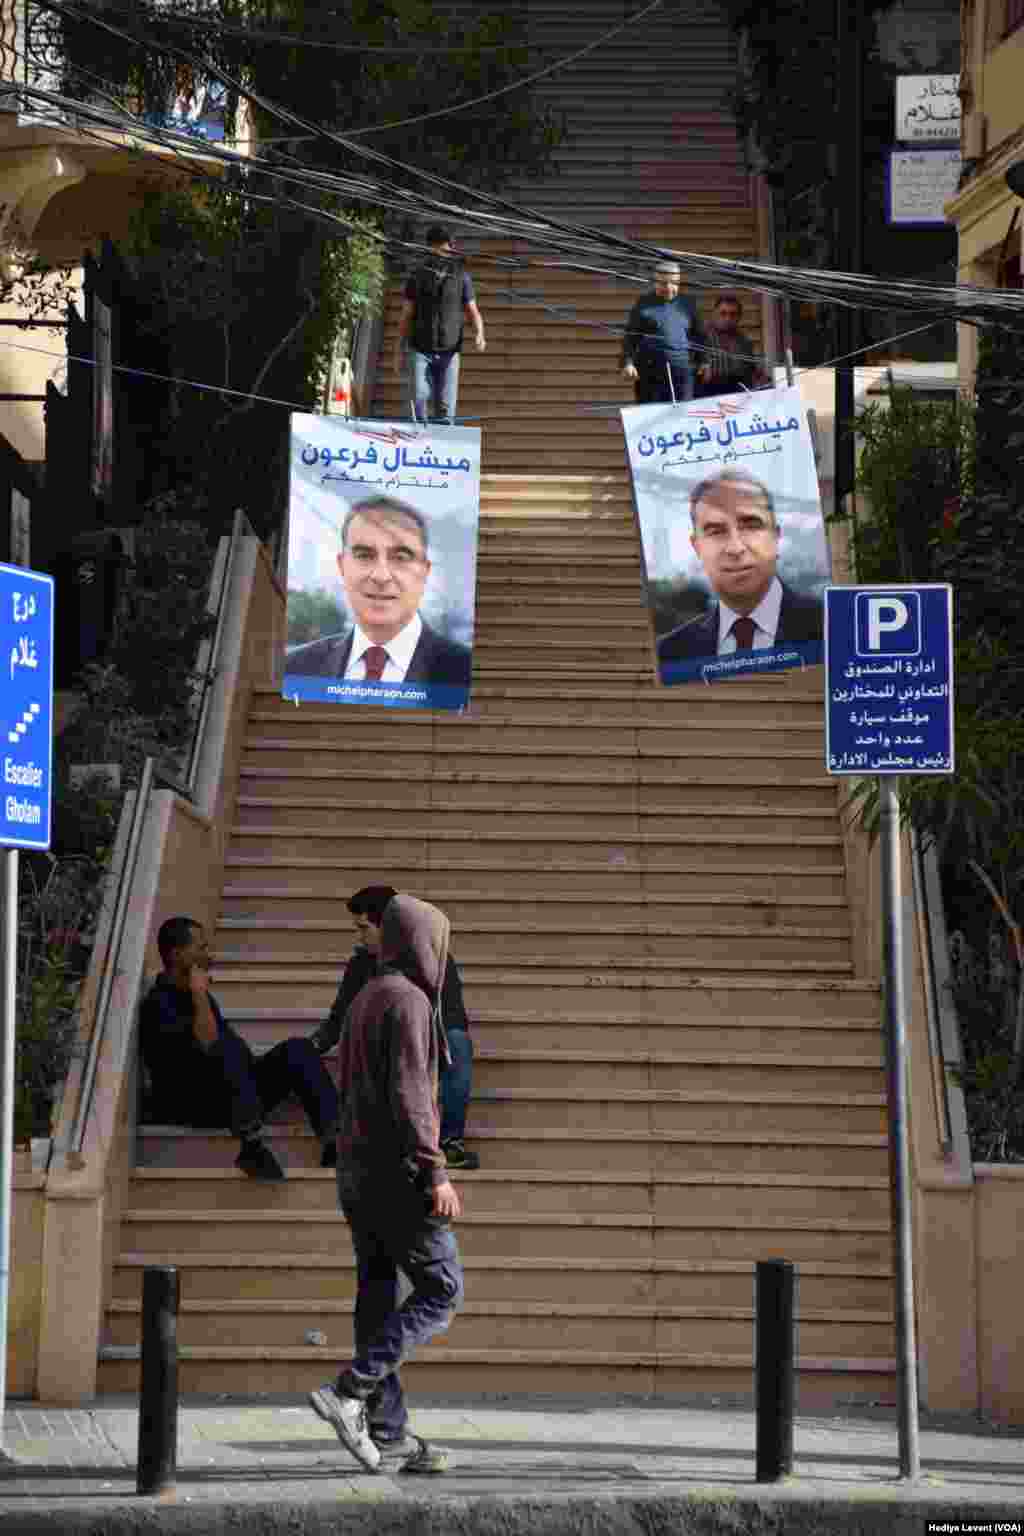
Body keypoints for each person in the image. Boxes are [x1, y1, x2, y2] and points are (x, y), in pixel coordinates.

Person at [309, 894, 464, 1476]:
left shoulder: (368, 996)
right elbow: (410, 1097)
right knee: (441, 1289)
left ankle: (388, 1433)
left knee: (377, 1295)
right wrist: (436, 1170)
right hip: (396, 1175)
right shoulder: (409, 1001)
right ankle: (350, 1391)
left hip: (357, 1172)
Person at [139, 916, 339, 1180]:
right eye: (200, 948)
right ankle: (252, 1146)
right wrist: (199, 993)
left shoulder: (197, 994)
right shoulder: (158, 1003)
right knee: (225, 1048)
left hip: (235, 1093)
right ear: (177, 954)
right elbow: (209, 1042)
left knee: (298, 1049)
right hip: (195, 1102)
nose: (207, 955)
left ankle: (336, 1142)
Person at [311, 885, 480, 1171]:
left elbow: (452, 1016)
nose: (360, 936)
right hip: (380, 1052)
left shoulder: (433, 958)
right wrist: (312, 1046)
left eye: (364, 928)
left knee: (459, 1042)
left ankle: (450, 1142)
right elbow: (339, 1018)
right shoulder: (360, 966)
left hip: (421, 1044)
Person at [284, 496, 471, 688]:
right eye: (364, 555)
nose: (381, 576)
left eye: (400, 557)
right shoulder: (294, 669)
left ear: (425, 572)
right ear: (341, 566)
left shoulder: (466, 674)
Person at [656, 469, 823, 665]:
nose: (736, 548)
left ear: (776, 537)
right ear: (697, 547)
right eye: (716, 531)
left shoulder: (833, 628)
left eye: (751, 526)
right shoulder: (669, 654)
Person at [395, 224, 485, 426]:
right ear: (429, 249)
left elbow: (473, 311)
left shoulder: (462, 276)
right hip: (421, 349)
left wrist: (480, 333)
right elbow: (406, 315)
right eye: (435, 248)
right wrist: (397, 350)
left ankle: (441, 445)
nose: (439, 253)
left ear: (451, 249)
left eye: (444, 248)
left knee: (445, 410)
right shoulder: (417, 276)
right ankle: (420, 442)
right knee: (419, 398)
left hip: (449, 351)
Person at [620, 260, 706, 404]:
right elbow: (630, 337)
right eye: (663, 283)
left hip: (682, 373)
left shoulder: (687, 304)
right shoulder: (643, 304)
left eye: (674, 283)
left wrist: (705, 361)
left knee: (683, 416)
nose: (669, 288)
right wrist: (628, 363)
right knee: (651, 415)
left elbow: (699, 335)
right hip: (650, 373)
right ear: (655, 282)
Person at [699, 292, 771, 397]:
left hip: (736, 396)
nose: (728, 319)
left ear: (739, 317)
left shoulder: (744, 342)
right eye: (723, 313)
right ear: (714, 314)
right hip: (707, 396)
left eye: (733, 314)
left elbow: (752, 370)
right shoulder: (701, 337)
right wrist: (701, 370)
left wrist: (763, 379)